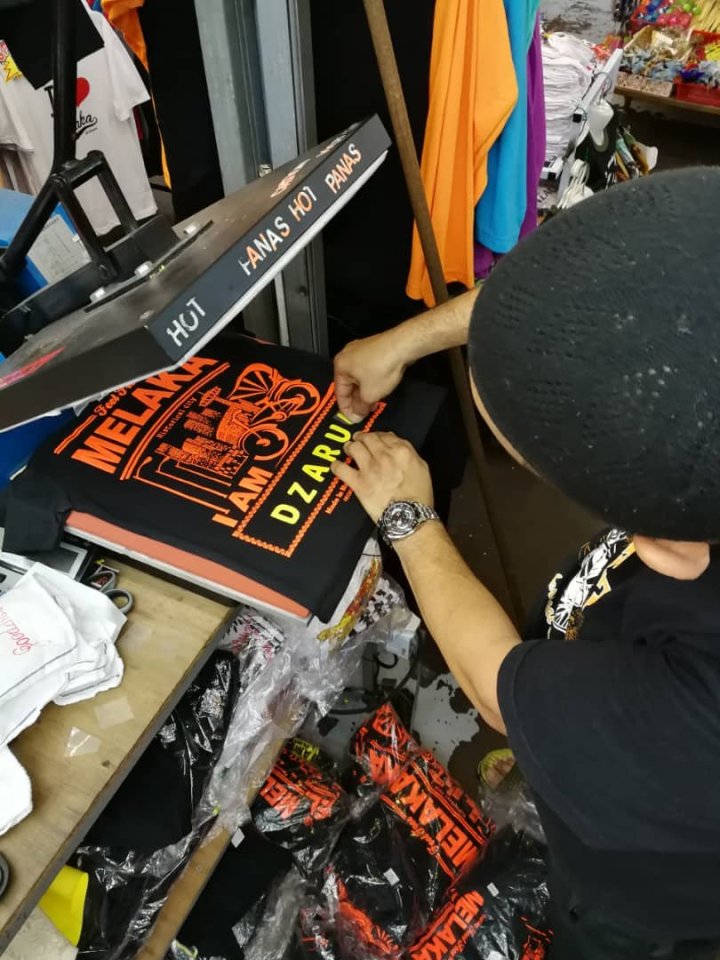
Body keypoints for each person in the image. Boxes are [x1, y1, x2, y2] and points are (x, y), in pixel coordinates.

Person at [330, 167, 720, 960]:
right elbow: (587, 295)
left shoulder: (694, 712)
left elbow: (496, 684)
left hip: (648, 902)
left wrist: (408, 517)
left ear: (662, 545)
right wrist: (405, 341)